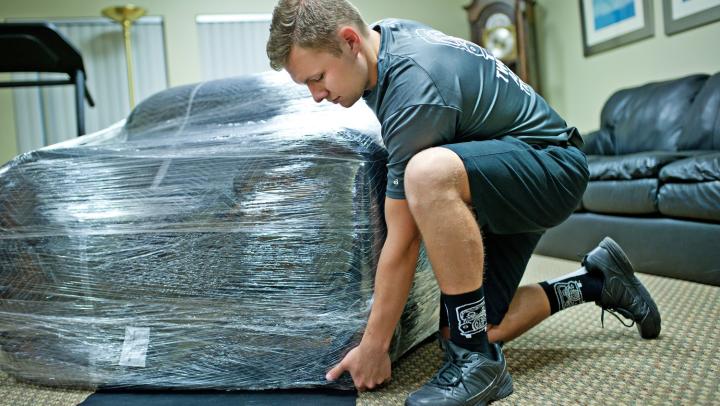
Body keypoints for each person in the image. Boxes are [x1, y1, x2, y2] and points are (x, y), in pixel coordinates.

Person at [266, 1, 661, 404]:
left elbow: (403, 242)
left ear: (349, 41)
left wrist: (374, 346)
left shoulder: (413, 87)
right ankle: (598, 281)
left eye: (317, 78)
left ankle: (476, 363)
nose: (316, 95)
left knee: (426, 173)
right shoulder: (383, 41)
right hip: (502, 174)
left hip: (551, 168)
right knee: (471, 323)